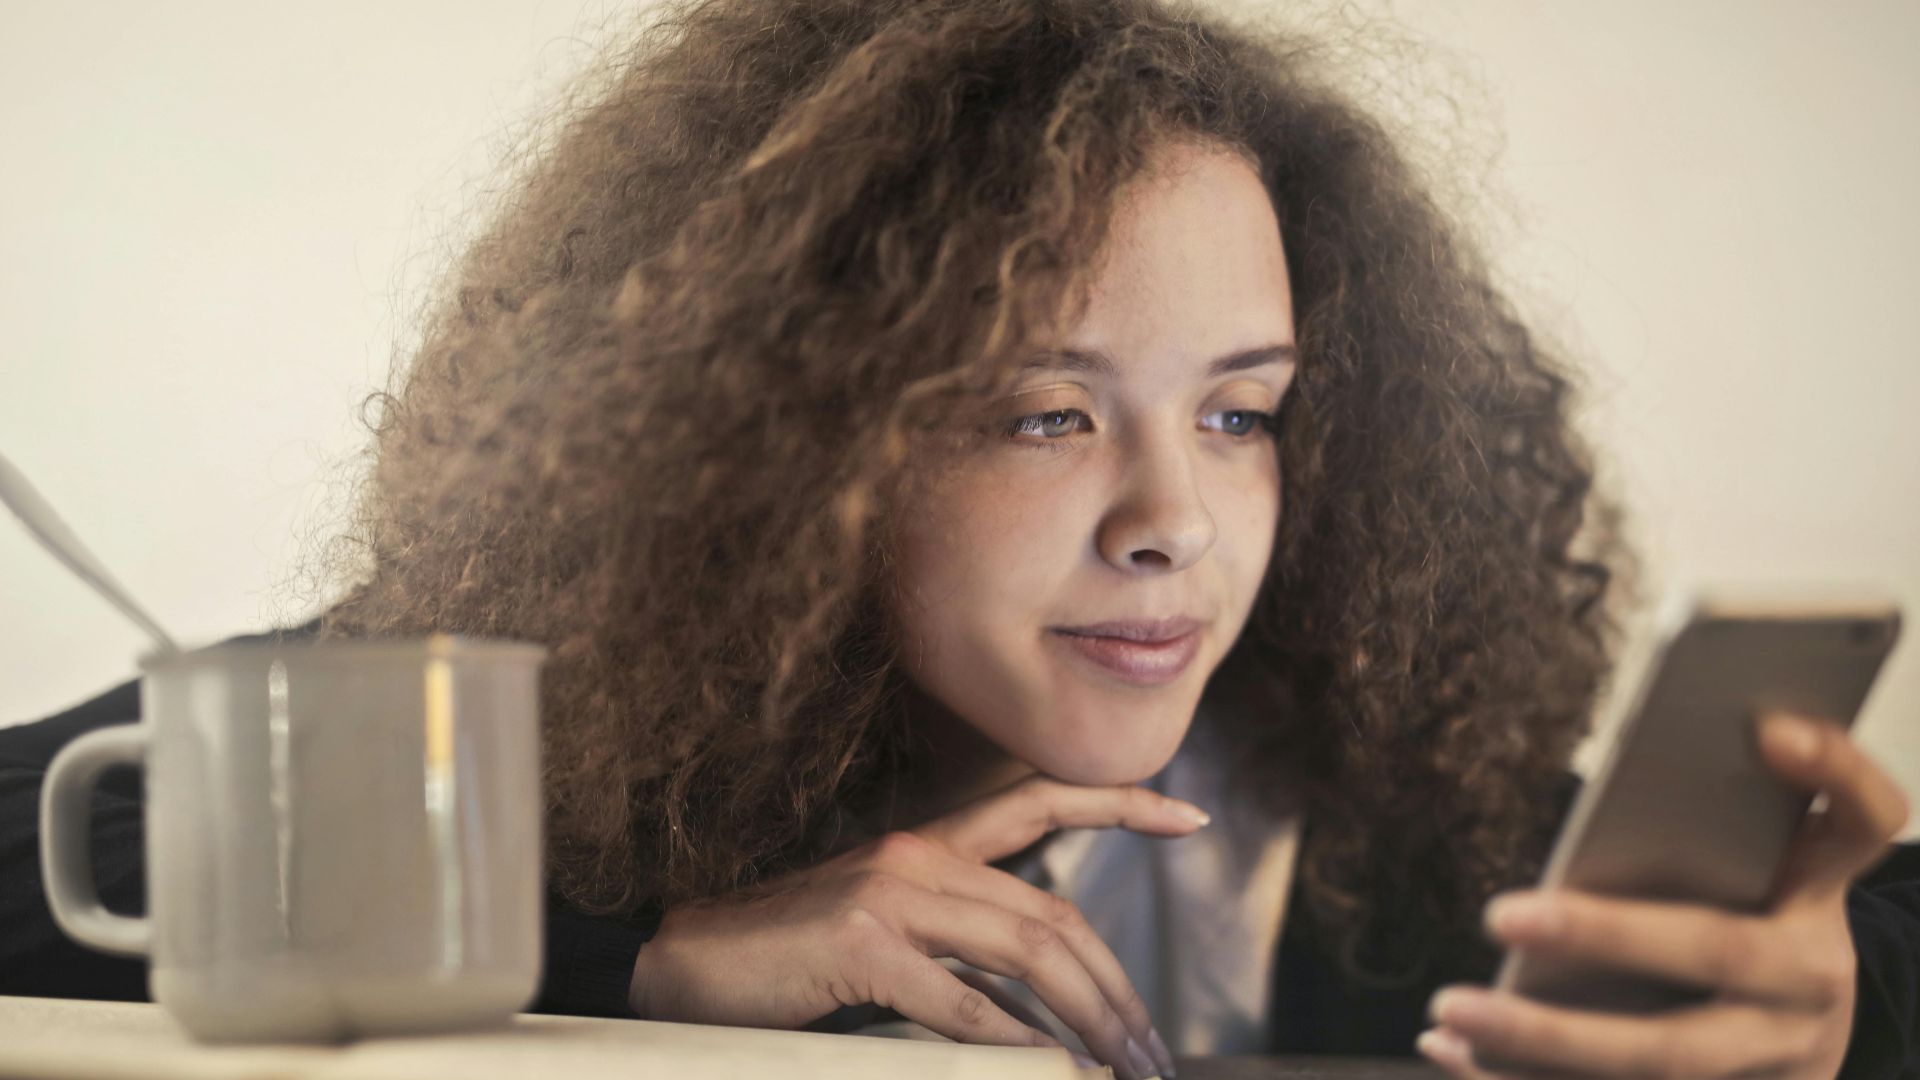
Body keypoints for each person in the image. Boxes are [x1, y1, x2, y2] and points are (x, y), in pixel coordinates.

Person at [2, 0, 1915, 1076]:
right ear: (780, 446)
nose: (1177, 523)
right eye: (1043, 413)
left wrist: (1839, 1011)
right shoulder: (513, 737)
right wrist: (639, 957)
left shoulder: (1377, 781)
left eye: (1242, 413)